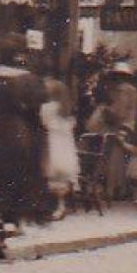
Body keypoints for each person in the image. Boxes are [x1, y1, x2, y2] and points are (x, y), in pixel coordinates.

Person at [0, 36, 46, 230]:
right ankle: (16, 219)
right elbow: (37, 108)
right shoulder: (27, 79)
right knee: (21, 172)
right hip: (19, 130)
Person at [40, 76, 81, 220]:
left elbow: (43, 122)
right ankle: (60, 205)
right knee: (61, 178)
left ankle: (54, 207)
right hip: (65, 146)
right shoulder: (66, 110)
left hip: (52, 144)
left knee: (51, 174)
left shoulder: (48, 107)